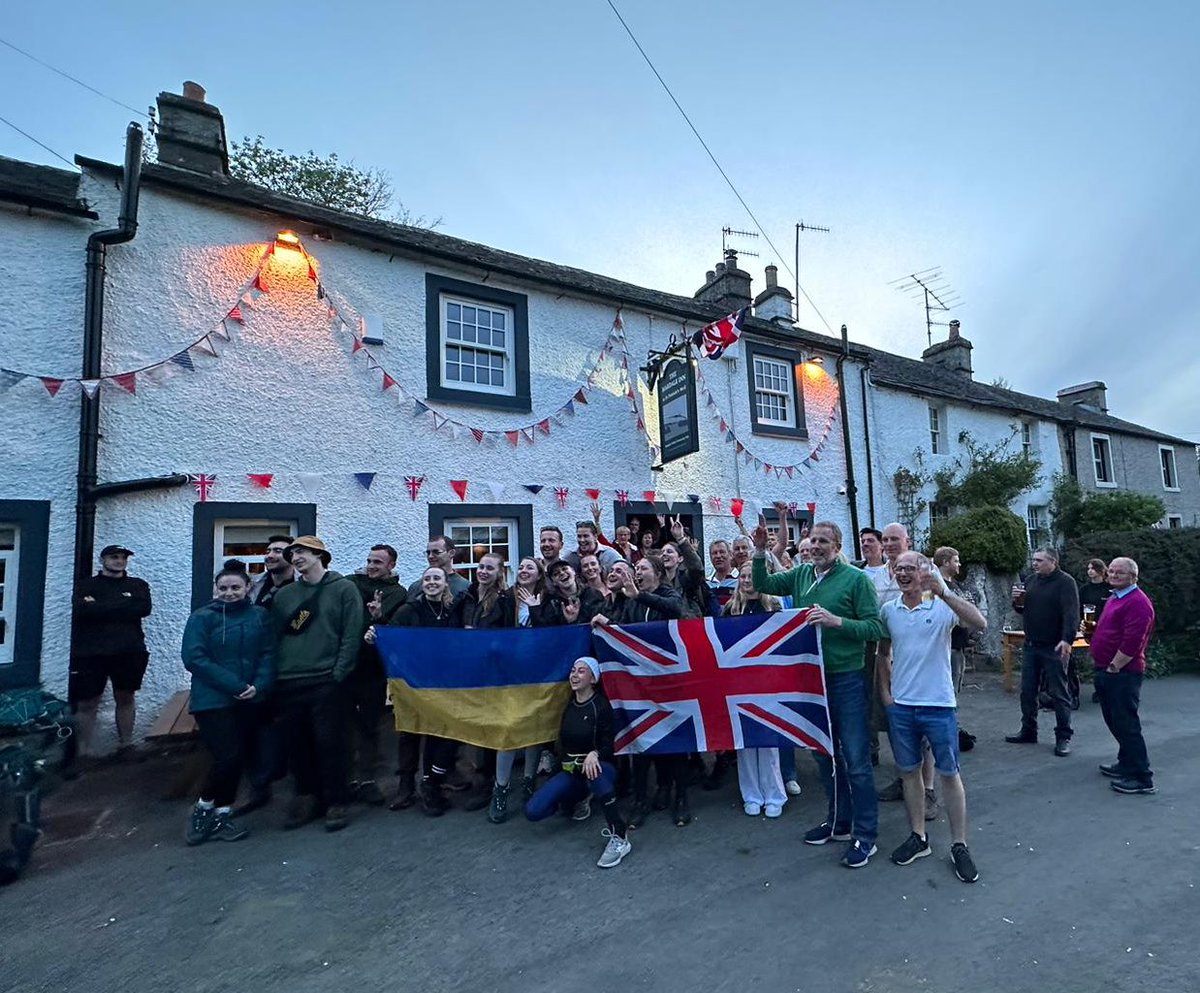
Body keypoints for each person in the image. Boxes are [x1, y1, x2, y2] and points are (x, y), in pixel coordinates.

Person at [750, 518, 885, 868]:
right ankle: (839, 821)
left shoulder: (856, 580)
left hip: (846, 679)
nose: (818, 546)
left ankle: (866, 835)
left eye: (825, 541)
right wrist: (761, 550)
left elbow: (875, 627)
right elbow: (763, 583)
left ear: (838, 546)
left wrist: (835, 621)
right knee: (824, 754)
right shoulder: (802, 575)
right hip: (811, 680)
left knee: (855, 759)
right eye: (814, 540)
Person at [878, 551, 986, 883]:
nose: (903, 574)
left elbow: (980, 623)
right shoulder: (888, 610)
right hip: (903, 707)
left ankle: (959, 844)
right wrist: (886, 694)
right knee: (909, 773)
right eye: (899, 569)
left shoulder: (941, 606)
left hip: (938, 704)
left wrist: (944, 592)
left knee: (949, 774)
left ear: (926, 572)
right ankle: (919, 837)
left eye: (911, 568)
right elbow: (883, 653)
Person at [269, 536, 364, 832]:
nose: (295, 557)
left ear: (320, 555)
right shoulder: (285, 596)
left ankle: (337, 800)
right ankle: (307, 796)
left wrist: (338, 672)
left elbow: (352, 633)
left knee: (331, 743)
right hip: (289, 680)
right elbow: (276, 637)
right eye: (292, 553)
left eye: (302, 552)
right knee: (297, 744)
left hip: (326, 679)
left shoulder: (344, 589)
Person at [593, 555, 690, 826]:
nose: (637, 572)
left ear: (657, 573)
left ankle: (680, 797)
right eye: (636, 569)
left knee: (676, 741)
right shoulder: (629, 598)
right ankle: (641, 800)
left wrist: (640, 596)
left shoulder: (668, 592)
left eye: (643, 568)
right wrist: (607, 626)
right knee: (641, 741)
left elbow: (676, 610)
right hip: (640, 683)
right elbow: (624, 631)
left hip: (670, 681)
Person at [181, 567, 275, 846]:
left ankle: (222, 812)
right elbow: (195, 658)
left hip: (250, 697)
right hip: (213, 699)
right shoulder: (202, 618)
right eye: (223, 588)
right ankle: (203, 807)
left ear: (248, 588)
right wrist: (236, 685)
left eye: (235, 587)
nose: (229, 593)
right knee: (227, 756)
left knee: (239, 755)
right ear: (215, 590)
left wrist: (259, 684)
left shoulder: (260, 616)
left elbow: (268, 653)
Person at [525, 657, 632, 869]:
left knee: (596, 773)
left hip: (601, 769)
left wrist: (595, 753)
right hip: (573, 772)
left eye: (581, 671)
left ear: (593, 679)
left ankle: (619, 836)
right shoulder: (569, 706)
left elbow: (610, 745)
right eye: (573, 670)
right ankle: (578, 799)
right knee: (533, 811)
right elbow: (564, 747)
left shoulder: (600, 706)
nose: (574, 675)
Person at [377, 565, 465, 815]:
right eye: (427, 578)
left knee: (441, 733)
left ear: (446, 582)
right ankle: (407, 786)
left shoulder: (451, 611)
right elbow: (390, 636)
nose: (432, 582)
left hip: (444, 684)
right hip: (413, 683)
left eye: (436, 578)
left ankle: (431, 784)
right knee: (411, 733)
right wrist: (377, 626)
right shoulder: (409, 610)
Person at [69, 544, 153, 761]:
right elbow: (82, 611)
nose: (119, 561)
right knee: (87, 701)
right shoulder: (86, 585)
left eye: (123, 558)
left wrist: (100, 606)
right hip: (91, 653)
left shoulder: (137, 585)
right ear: (103, 560)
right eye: (114, 557)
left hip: (129, 650)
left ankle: (126, 745)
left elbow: (142, 609)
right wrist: (123, 605)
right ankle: (83, 751)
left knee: (125, 697)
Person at [344, 545, 408, 806]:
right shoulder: (351, 584)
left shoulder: (397, 593)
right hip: (346, 662)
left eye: (378, 562)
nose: (371, 566)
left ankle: (367, 778)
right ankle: (346, 778)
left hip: (373, 667)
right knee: (343, 723)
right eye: (369, 560)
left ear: (391, 565)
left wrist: (378, 617)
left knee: (370, 723)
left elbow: (392, 626)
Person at [723, 572, 789, 817]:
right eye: (744, 576)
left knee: (769, 740)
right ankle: (751, 795)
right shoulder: (730, 609)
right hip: (739, 682)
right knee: (745, 742)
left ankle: (774, 795)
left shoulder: (773, 605)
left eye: (753, 575)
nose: (748, 579)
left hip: (767, 681)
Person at [1090, 557, 1156, 795]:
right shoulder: (1115, 597)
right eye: (1112, 571)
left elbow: (1133, 641)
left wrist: (1115, 666)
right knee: (1114, 720)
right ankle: (1126, 763)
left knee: (1127, 724)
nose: (1114, 575)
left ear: (1133, 577)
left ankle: (1142, 777)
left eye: (1121, 573)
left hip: (1122, 673)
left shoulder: (1138, 602)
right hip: (1106, 669)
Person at [1006, 548, 1081, 756]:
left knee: (1059, 692)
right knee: (1027, 691)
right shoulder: (1031, 580)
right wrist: (1017, 602)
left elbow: (1071, 612)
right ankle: (1029, 730)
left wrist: (1067, 639)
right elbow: (1022, 609)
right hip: (1032, 644)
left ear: (1053, 561)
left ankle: (1063, 736)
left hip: (1054, 645)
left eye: (1039, 560)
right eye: (1034, 560)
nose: (1035, 564)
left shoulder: (1065, 582)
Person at [250, 535, 296, 607]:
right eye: (268, 551)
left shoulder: (304, 584)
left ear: (292, 556)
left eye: (278, 551)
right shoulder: (253, 584)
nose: (269, 555)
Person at [1079, 558, 1113, 632]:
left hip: (1107, 628)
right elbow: (1079, 609)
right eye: (1089, 568)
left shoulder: (1111, 589)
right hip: (1088, 628)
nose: (1090, 571)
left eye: (1093, 568)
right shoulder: (1084, 589)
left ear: (1101, 570)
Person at [707, 540, 738, 611]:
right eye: (715, 553)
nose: (718, 556)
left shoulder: (741, 580)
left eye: (722, 552)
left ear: (730, 555)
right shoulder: (706, 584)